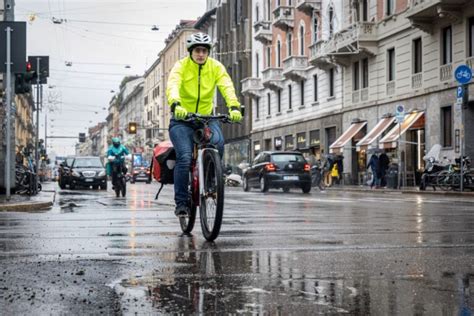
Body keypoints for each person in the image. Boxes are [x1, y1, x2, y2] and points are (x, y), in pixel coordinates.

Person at [166, 32, 242, 217]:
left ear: (208, 52)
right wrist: (176, 104)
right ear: (191, 51)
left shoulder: (215, 67)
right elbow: (173, 85)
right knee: (184, 158)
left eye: (204, 51)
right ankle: (182, 203)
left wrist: (234, 107)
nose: (201, 54)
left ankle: (210, 181)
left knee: (219, 144)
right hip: (182, 120)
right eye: (198, 50)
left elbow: (226, 86)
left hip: (206, 118)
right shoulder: (181, 66)